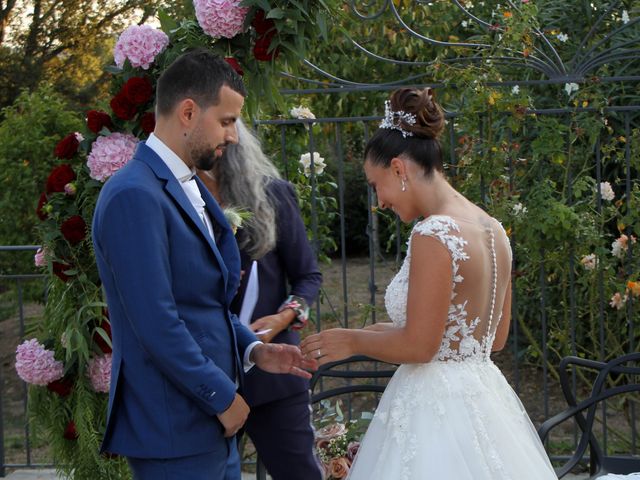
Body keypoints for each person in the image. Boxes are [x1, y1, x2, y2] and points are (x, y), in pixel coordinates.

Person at [301, 87, 558, 479]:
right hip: (484, 401)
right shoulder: (493, 231)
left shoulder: (434, 233)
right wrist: (375, 331)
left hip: (434, 411)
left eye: (376, 185)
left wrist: (353, 342)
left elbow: (421, 346)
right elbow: (492, 338)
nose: (380, 201)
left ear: (399, 169)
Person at [92, 49, 315, 480]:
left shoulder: (183, 185)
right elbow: (156, 321)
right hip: (174, 427)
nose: (234, 136)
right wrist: (221, 397)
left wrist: (254, 350)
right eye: (227, 121)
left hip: (207, 422)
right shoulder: (134, 195)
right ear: (189, 112)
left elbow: (204, 304)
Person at [197, 119, 324, 480]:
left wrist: (284, 318)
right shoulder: (180, 201)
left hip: (274, 376)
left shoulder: (273, 195)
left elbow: (308, 276)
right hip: (207, 374)